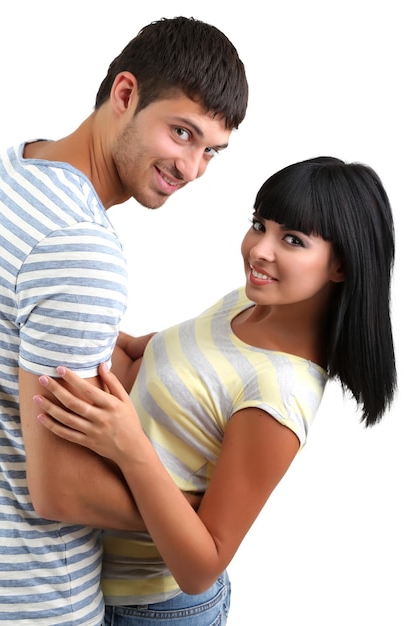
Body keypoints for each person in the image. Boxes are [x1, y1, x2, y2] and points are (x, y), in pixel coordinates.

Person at [33, 156, 396, 625]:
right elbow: (146, 353)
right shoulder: (248, 302)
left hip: (151, 609)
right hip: (87, 575)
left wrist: (129, 447)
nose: (259, 250)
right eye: (259, 225)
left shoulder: (278, 394)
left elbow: (202, 566)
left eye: (292, 240)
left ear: (340, 264)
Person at [0, 16, 248, 625]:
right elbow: (61, 491)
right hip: (37, 598)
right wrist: (190, 514)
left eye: (211, 150)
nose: (193, 168)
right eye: (181, 133)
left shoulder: (12, 168)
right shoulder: (81, 245)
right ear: (124, 94)